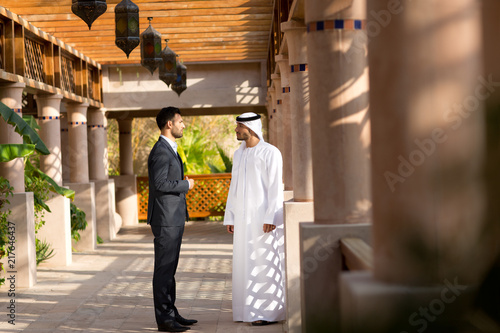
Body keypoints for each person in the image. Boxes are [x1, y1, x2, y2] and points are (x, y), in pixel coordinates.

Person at [223, 112, 286, 326]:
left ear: (250, 128)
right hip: (242, 220)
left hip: (262, 220)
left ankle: (267, 313)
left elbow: (275, 188)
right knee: (244, 263)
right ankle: (247, 311)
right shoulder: (238, 154)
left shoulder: (271, 153)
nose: (236, 130)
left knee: (262, 261)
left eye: (239, 126)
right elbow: (234, 188)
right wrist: (230, 216)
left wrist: (271, 216)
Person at [147, 106, 197, 332]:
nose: (183, 125)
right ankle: (165, 319)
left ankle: (171, 312)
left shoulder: (170, 149)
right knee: (164, 269)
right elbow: (160, 185)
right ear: (169, 124)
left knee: (170, 269)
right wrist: (186, 185)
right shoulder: (161, 151)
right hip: (165, 219)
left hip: (173, 218)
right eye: (180, 121)